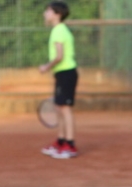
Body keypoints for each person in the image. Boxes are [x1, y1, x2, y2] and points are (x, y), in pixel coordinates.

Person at [38, 2, 78, 159]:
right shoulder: (58, 30)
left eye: (48, 11)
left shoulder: (59, 31)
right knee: (59, 106)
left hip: (66, 73)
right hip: (62, 74)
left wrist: (46, 67)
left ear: (57, 14)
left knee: (65, 108)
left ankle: (70, 145)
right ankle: (61, 142)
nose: (44, 14)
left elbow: (59, 56)